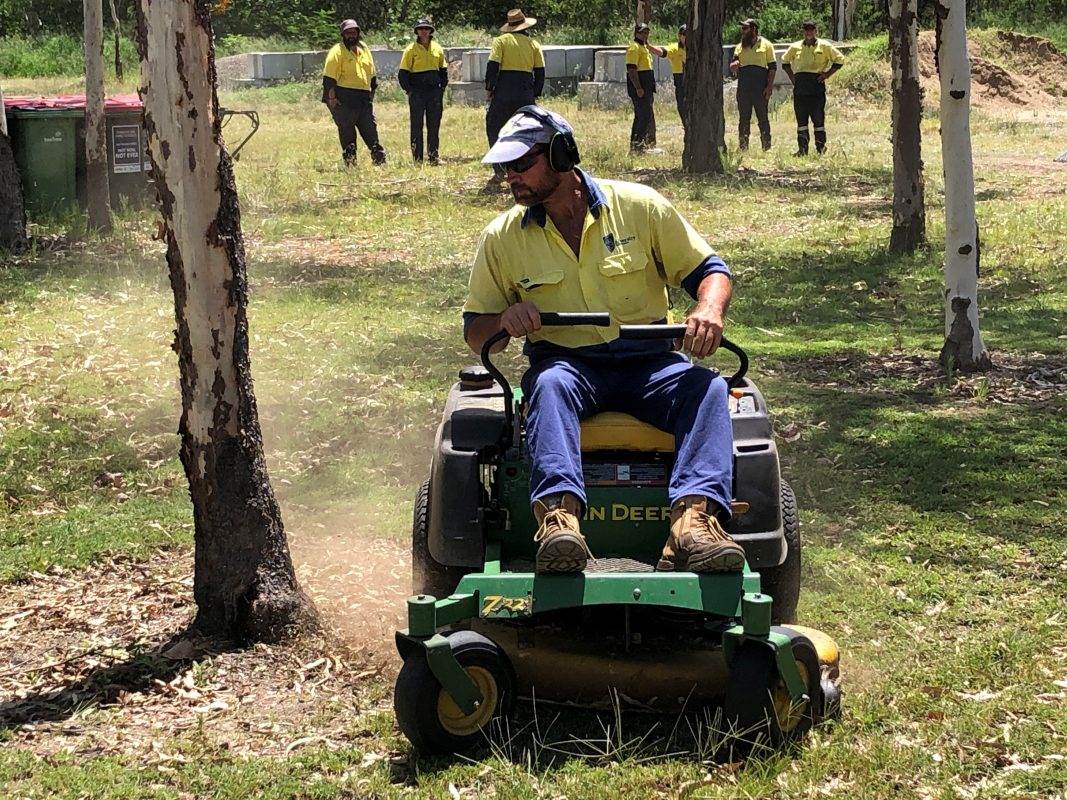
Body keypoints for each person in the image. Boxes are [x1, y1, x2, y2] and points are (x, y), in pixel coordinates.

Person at [463, 106, 745, 575]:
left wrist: (709, 308)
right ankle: (559, 524)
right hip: (567, 367)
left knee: (709, 388)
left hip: (651, 363)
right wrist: (504, 320)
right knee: (548, 387)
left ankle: (694, 526)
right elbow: (476, 330)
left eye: (520, 164)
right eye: (503, 167)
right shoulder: (502, 237)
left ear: (561, 154)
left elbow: (710, 271)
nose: (509, 177)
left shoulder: (639, 207)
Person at [485, 9, 545, 177]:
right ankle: (525, 165)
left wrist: (489, 89)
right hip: (525, 92)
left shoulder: (501, 41)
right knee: (526, 129)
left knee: (494, 126)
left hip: (504, 91)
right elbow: (540, 72)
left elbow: (493, 67)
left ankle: (499, 168)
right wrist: (535, 93)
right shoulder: (533, 44)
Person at [321, 19, 387, 166]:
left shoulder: (364, 48)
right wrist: (332, 101)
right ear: (343, 35)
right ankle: (351, 164)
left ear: (358, 33)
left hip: (363, 98)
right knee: (347, 133)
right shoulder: (337, 52)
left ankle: (379, 160)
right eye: (347, 33)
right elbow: (329, 79)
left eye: (353, 32)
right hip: (343, 98)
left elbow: (372, 74)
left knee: (370, 130)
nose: (351, 35)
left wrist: (371, 96)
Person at [781, 20, 845, 155]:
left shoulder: (825, 46)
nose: (809, 32)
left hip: (816, 86)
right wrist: (793, 78)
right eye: (806, 29)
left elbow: (840, 60)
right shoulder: (795, 47)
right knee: (801, 120)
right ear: (803, 31)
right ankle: (802, 149)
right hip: (800, 87)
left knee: (818, 119)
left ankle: (821, 148)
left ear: (816, 31)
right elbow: (785, 61)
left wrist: (827, 74)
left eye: (812, 29)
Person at [398, 18, 448, 164]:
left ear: (430, 31)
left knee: (434, 124)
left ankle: (433, 156)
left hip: (434, 92)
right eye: (421, 29)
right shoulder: (410, 50)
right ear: (417, 32)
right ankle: (417, 158)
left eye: (426, 29)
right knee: (416, 125)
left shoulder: (437, 48)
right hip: (417, 93)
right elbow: (403, 73)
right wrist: (409, 91)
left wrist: (441, 89)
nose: (424, 32)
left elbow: (443, 70)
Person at [729, 18, 776, 151]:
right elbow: (733, 64)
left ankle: (766, 146)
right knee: (744, 118)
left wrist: (769, 87)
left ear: (754, 29)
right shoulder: (739, 46)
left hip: (760, 87)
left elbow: (772, 67)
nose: (742, 31)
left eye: (745, 28)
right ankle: (743, 147)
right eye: (742, 28)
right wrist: (733, 66)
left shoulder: (766, 45)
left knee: (763, 117)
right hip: (744, 87)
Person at [626, 23, 666, 152]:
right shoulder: (634, 48)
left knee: (646, 115)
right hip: (640, 86)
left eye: (646, 32)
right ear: (636, 33)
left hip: (646, 86)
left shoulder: (644, 47)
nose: (645, 35)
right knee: (642, 116)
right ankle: (637, 144)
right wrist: (638, 87)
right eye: (642, 32)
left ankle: (641, 143)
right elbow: (632, 70)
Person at [661, 24, 687, 125]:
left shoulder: (696, 49)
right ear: (679, 36)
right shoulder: (675, 49)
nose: (686, 37)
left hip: (694, 81)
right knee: (681, 105)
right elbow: (663, 52)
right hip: (680, 80)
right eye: (684, 35)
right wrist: (649, 47)